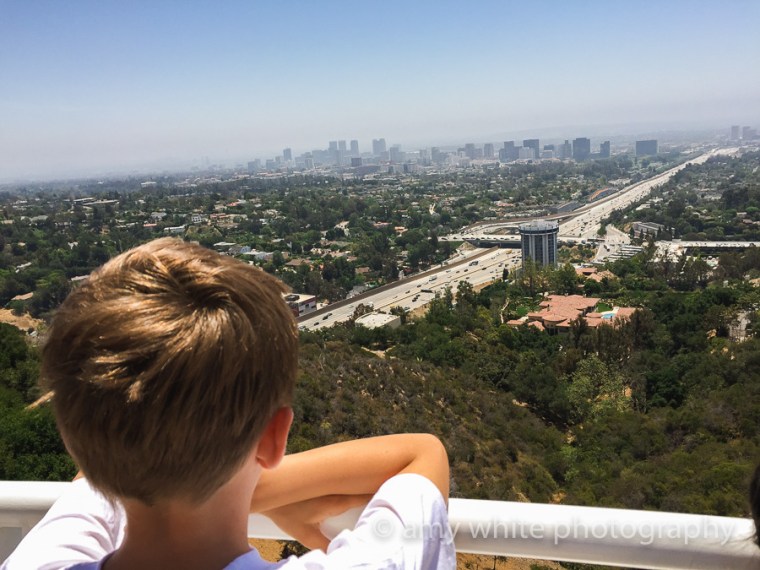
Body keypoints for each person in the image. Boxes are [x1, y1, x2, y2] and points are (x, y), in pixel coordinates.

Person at [1, 238, 455, 570]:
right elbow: (423, 454)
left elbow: (103, 463)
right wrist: (266, 494)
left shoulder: (42, 560)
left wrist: (220, 483)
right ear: (274, 438)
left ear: (72, 439)